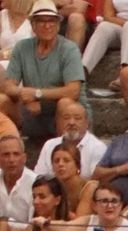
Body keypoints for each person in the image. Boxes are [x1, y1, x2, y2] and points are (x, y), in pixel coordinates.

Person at [2, 0, 84, 141]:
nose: (47, 26)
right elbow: (9, 85)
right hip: (32, 111)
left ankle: (64, 148)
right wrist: (25, 96)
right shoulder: (22, 47)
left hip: (63, 112)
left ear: (58, 25)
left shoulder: (69, 49)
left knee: (65, 103)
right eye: (41, 21)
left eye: (52, 21)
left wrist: (36, 94)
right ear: (33, 25)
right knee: (2, 100)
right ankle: (11, 149)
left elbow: (73, 91)